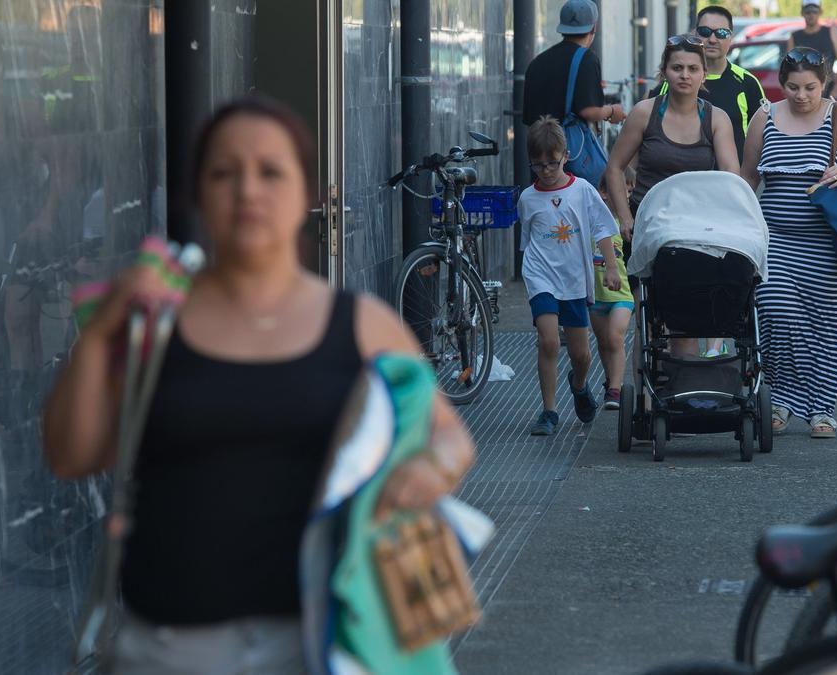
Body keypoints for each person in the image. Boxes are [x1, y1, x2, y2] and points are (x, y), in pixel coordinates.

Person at [42, 95, 474, 672]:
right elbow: (73, 455)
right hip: (167, 648)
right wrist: (99, 334)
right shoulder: (156, 319)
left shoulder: (363, 325)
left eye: (271, 172)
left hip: (320, 646)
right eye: (225, 173)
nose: (248, 191)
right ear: (198, 193)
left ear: (309, 194)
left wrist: (429, 468)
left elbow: (450, 436)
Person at [740, 48, 837, 438]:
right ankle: (784, 400)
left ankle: (822, 409)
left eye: (810, 87)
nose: (801, 95)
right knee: (776, 312)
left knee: (825, 325)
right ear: (781, 83)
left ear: (824, 84)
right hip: (776, 241)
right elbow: (747, 175)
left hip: (827, 244)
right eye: (792, 87)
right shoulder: (765, 116)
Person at [605, 33, 740, 357]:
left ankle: (688, 390)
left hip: (696, 229)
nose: (685, 75)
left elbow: (732, 180)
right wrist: (625, 216)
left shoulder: (715, 119)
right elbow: (614, 168)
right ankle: (647, 398)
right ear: (664, 71)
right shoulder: (644, 113)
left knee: (687, 321)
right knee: (649, 320)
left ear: (703, 74)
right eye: (677, 67)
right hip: (649, 225)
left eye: (693, 68)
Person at [518, 116, 621, 436]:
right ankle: (549, 411)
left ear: (565, 156)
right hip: (541, 275)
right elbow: (529, 240)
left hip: (575, 277)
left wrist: (611, 267)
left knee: (581, 354)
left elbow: (603, 228)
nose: (546, 171)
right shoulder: (527, 198)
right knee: (548, 341)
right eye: (538, 165)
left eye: (552, 163)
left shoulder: (583, 191)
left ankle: (579, 385)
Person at [647, 6, 766, 162]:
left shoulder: (747, 82)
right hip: (679, 180)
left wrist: (746, 181)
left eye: (721, 33)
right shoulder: (673, 81)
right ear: (695, 34)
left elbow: (763, 138)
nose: (712, 39)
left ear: (732, 37)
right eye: (705, 31)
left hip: (731, 181)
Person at [522, 0, 625, 128]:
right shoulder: (587, 59)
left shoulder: (537, 62)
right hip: (567, 146)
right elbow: (589, 111)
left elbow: (530, 116)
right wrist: (613, 110)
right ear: (594, 27)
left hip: (537, 146)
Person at [593, 173, 635, 410]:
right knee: (602, 342)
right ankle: (610, 378)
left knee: (614, 337)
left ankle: (616, 389)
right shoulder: (592, 220)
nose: (626, 197)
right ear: (605, 193)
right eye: (622, 191)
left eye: (630, 192)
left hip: (622, 294)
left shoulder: (626, 224)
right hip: (596, 294)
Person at [787, 0, 837, 98]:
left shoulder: (831, 32)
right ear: (802, 13)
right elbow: (788, 66)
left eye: (814, 11)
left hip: (827, 90)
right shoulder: (794, 37)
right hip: (803, 92)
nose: (811, 15)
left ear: (820, 12)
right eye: (808, 12)